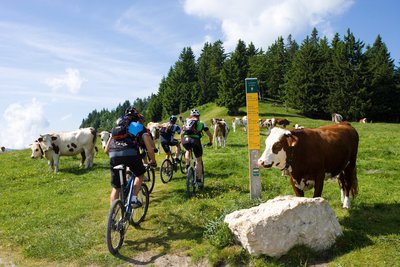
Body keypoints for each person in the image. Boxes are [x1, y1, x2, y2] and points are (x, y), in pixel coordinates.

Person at [105, 106, 157, 207]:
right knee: (140, 174)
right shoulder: (137, 126)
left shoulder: (116, 126)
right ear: (136, 117)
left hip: (113, 154)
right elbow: (150, 149)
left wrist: (115, 156)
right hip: (130, 153)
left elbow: (106, 150)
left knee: (116, 188)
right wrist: (153, 161)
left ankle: (113, 219)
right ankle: (133, 199)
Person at [180, 109, 212, 187]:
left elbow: (182, 134)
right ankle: (199, 180)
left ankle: (187, 166)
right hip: (196, 141)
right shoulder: (202, 123)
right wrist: (210, 142)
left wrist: (182, 141)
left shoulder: (186, 122)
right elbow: (210, 135)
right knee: (198, 161)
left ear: (191, 116)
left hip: (185, 140)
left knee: (188, 150)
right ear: (199, 116)